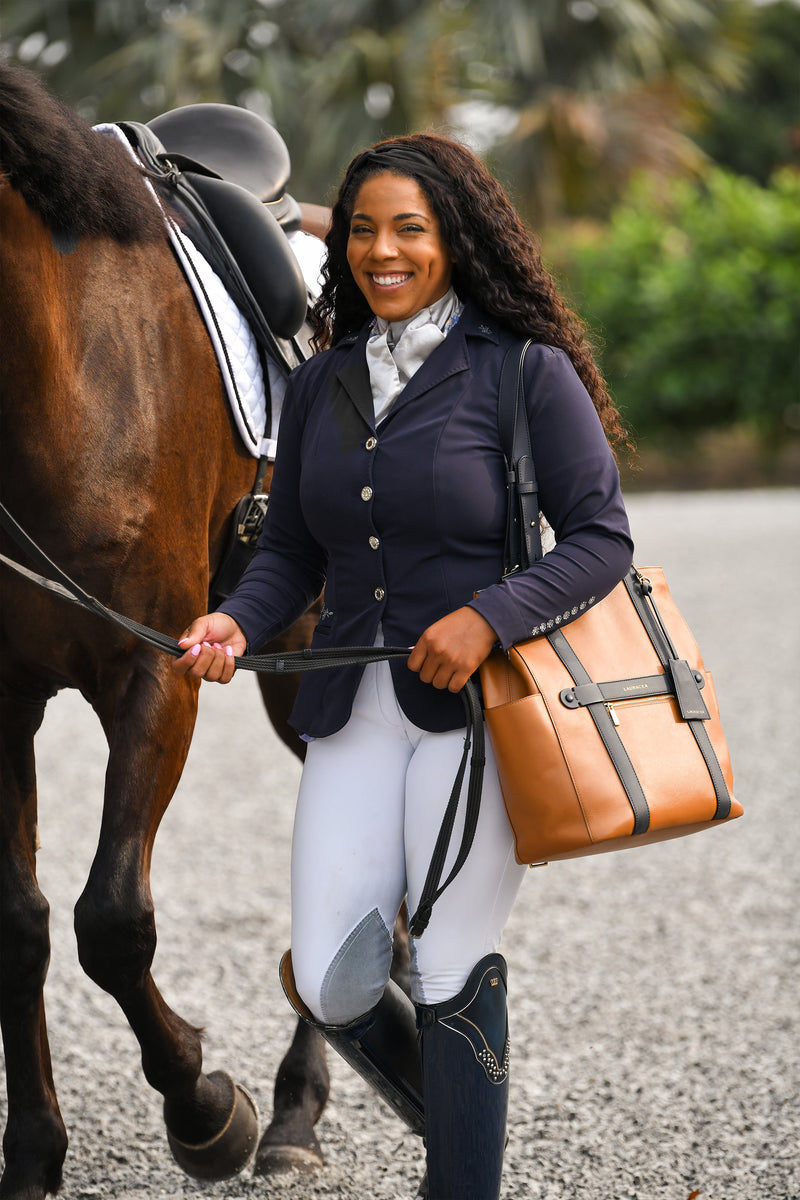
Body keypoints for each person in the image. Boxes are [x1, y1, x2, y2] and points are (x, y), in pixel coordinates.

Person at [172, 133, 634, 1200]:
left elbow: (600, 536)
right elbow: (289, 548)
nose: (384, 251)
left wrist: (489, 615)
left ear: (454, 242)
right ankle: (467, 1133)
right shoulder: (322, 380)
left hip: (476, 712)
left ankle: (458, 1184)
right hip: (347, 710)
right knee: (333, 981)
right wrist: (236, 622)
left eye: (410, 230)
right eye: (367, 230)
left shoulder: (524, 371)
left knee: (446, 964)